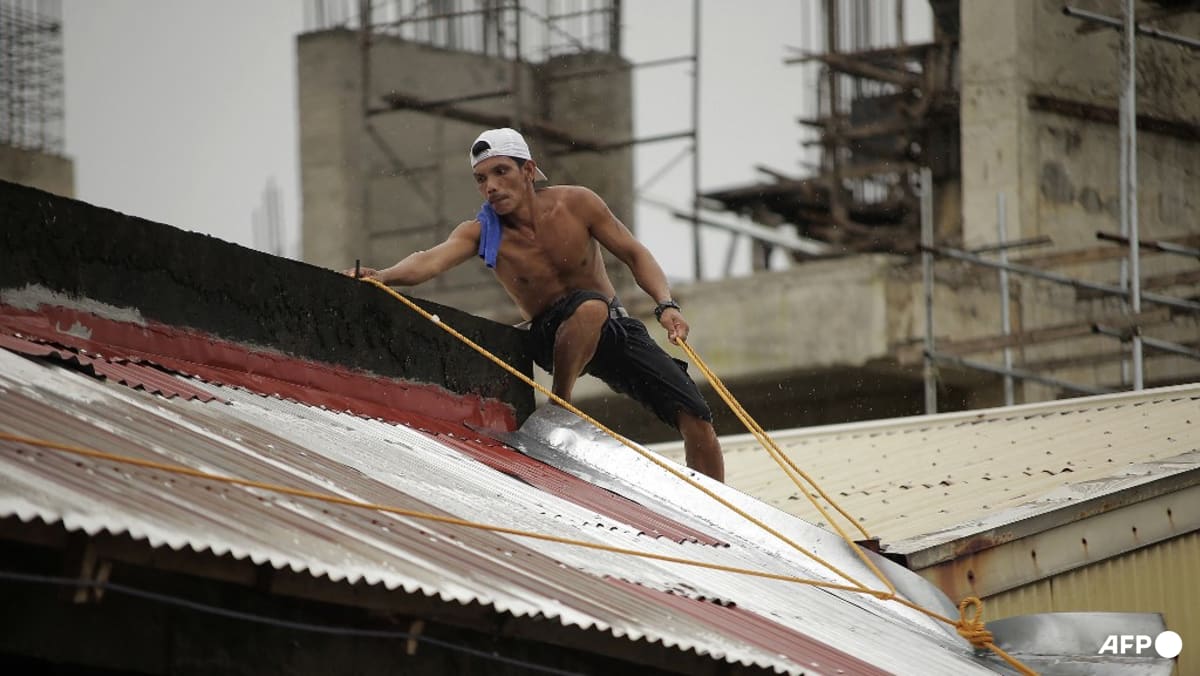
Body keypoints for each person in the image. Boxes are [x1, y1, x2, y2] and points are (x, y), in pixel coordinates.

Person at [346, 127, 724, 482]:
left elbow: (635, 253)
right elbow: (429, 260)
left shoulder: (577, 204)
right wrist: (385, 276)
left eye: (501, 172)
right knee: (589, 307)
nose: (491, 186)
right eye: (481, 179)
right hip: (548, 334)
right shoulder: (482, 231)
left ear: (528, 170)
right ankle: (560, 407)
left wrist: (666, 305)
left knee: (697, 418)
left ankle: (714, 512)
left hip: (612, 327)